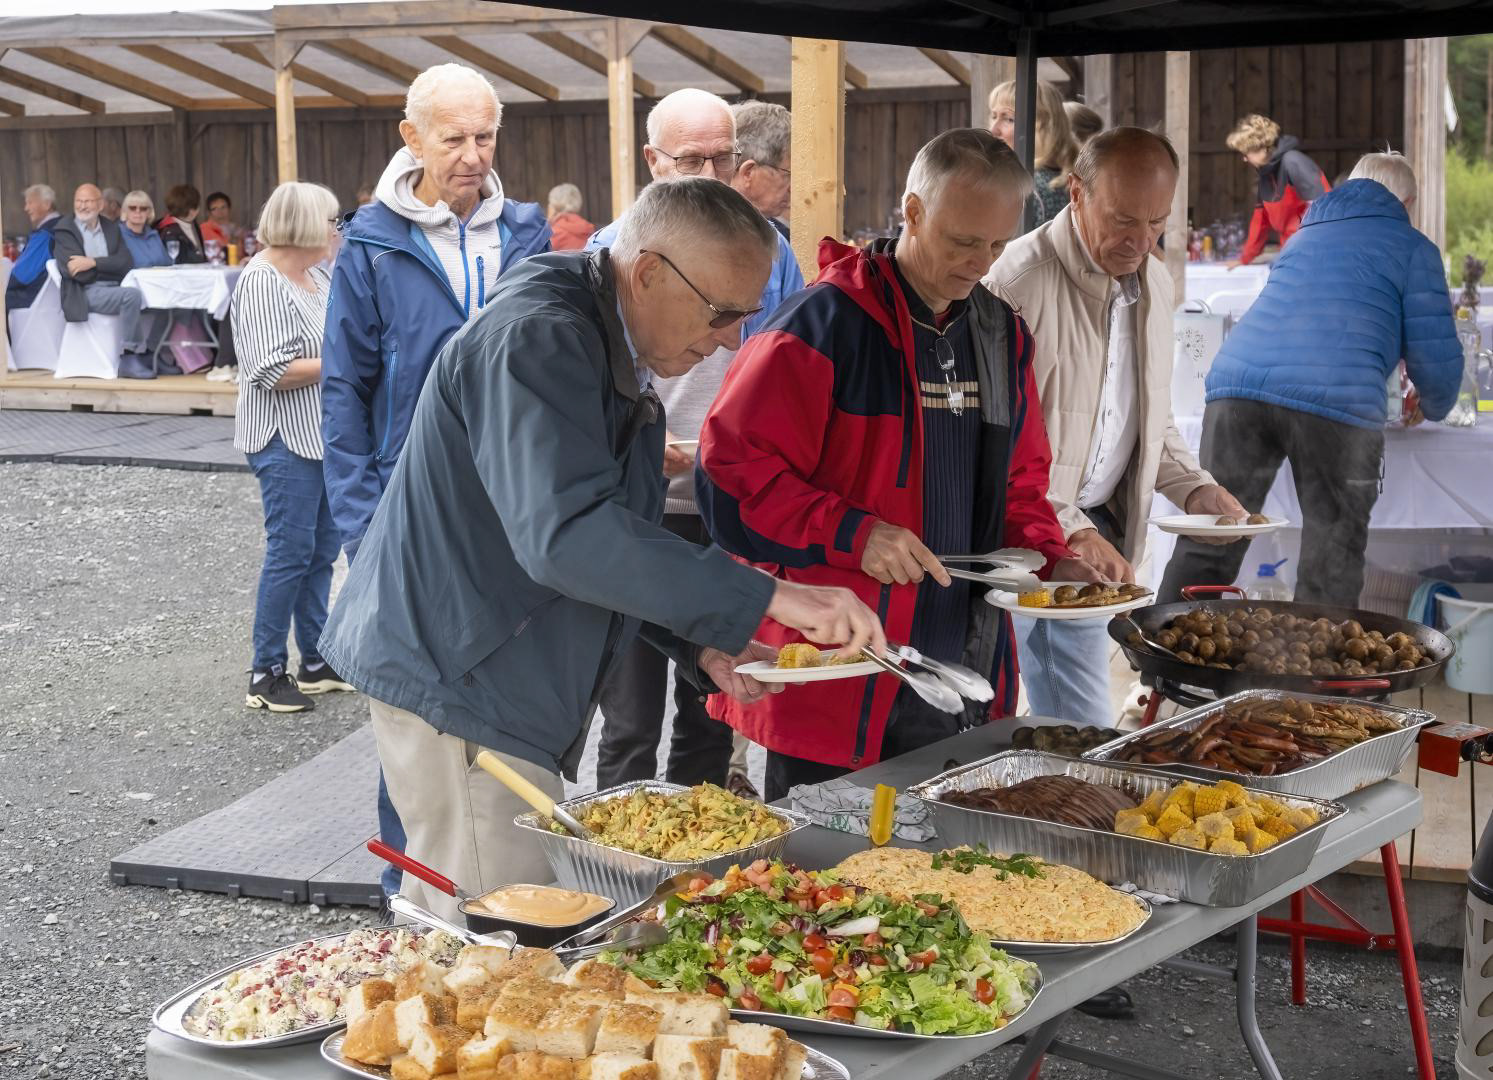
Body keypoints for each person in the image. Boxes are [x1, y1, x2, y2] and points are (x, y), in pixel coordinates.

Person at [317, 178, 884, 922]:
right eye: (720, 313)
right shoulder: (540, 338)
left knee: (467, 919)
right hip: (464, 678)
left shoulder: (594, 332)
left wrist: (699, 642)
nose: (730, 339)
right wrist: (770, 596)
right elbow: (568, 537)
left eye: (745, 317)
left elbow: (608, 537)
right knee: (500, 936)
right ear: (647, 272)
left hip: (486, 668)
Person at [698, 129, 1096, 800]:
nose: (979, 264)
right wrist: (855, 533)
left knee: (951, 855)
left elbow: (1021, 485)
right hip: (841, 672)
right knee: (826, 859)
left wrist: (1053, 562)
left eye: (996, 245)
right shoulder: (823, 323)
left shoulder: (1001, 332)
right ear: (912, 211)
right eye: (962, 241)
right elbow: (730, 482)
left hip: (964, 666)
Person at [321, 61, 550, 902]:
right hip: (405, 512)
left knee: (508, 694)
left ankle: (505, 886)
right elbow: (343, 390)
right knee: (409, 702)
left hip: (509, 508)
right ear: (411, 139)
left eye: (485, 137)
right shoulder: (373, 243)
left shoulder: (525, 233)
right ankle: (407, 894)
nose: (473, 155)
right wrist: (361, 522)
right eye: (453, 138)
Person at [984, 128, 1245, 726]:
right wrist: (1071, 529)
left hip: (1099, 524)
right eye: (1124, 220)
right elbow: (995, 445)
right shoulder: (1017, 281)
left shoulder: (1155, 278)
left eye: (1157, 222)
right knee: (1056, 710)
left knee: (1073, 708)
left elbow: (1149, 416)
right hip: (1029, 529)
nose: (1141, 241)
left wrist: (1195, 488)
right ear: (1076, 193)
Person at [584, 89, 804, 796]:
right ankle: (623, 844)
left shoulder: (773, 251)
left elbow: (790, 376)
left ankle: (703, 844)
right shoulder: (607, 254)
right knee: (629, 714)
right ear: (653, 161)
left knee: (713, 699)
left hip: (725, 503)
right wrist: (639, 450)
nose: (711, 174)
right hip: (638, 506)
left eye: (723, 158)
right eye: (691, 160)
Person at [1161, 153, 1461, 608]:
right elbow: (1436, 365)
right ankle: (1312, 656)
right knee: (1331, 556)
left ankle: (1158, 646)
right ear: (1408, 203)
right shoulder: (1413, 247)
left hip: (1236, 389)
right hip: (1336, 405)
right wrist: (1433, 403)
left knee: (1215, 533)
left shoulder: (1305, 235)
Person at [232, 181, 352, 714]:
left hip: (321, 435)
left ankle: (316, 660)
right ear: (305, 225)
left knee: (321, 552)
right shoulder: (262, 281)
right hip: (283, 438)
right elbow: (269, 370)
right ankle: (265, 672)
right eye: (331, 220)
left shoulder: (317, 275)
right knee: (290, 553)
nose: (337, 230)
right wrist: (343, 363)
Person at [52, 183, 163, 380]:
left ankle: (153, 353)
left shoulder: (110, 228)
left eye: (88, 201)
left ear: (100, 204)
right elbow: (77, 274)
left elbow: (125, 263)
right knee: (131, 296)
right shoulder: (64, 230)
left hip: (114, 288)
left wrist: (92, 262)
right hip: (83, 293)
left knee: (158, 298)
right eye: (79, 201)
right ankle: (130, 357)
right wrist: (108, 267)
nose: (82, 206)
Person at [1226, 113, 1330, 268]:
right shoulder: (1265, 175)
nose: (1245, 159)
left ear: (1262, 148)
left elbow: (1325, 207)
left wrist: (1304, 252)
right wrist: (1244, 259)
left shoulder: (1293, 161)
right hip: (1291, 254)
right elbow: (1260, 221)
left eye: (1246, 153)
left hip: (1313, 255)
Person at [989, 79, 1077, 227]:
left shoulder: (1025, 190)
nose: (993, 130)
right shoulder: (1078, 181)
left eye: (1009, 119)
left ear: (1042, 126)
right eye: (994, 116)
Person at [731, 100, 792, 238]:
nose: (793, 188)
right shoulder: (703, 234)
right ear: (748, 173)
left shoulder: (777, 237)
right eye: (788, 174)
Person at [5, 184, 60, 311]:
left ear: (47, 205)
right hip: (56, 299)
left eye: (30, 203)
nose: (26, 208)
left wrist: (4, 284)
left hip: (37, 300)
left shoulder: (45, 235)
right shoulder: (64, 225)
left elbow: (21, 276)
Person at [119, 191, 172, 269]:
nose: (138, 211)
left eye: (143, 208)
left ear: (149, 212)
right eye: (132, 208)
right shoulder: (117, 234)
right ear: (125, 211)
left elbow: (168, 263)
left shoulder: (153, 235)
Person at [157, 185, 208, 264]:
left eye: (194, 207)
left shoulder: (193, 224)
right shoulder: (169, 231)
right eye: (187, 209)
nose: (193, 212)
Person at [546, 182, 594, 250]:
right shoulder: (590, 230)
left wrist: (549, 222)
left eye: (549, 202)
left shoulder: (552, 234)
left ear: (554, 205)